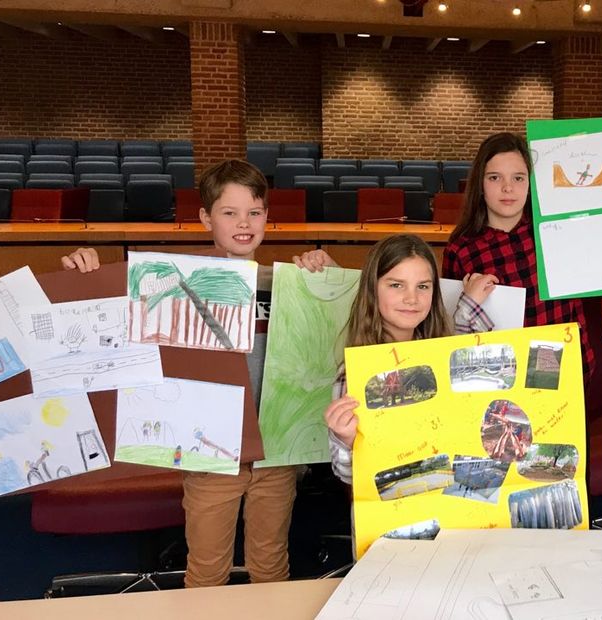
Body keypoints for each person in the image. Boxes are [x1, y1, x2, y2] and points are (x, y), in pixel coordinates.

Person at [61, 159, 337, 588]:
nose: (244, 223)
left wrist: (326, 273)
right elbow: (108, 319)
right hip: (210, 453)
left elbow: (329, 335)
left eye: (255, 212)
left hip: (276, 451)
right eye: (229, 212)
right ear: (206, 217)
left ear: (267, 216)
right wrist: (86, 275)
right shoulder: (174, 286)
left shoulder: (288, 283)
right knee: (207, 569)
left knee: (271, 567)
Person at [440, 132, 596, 382]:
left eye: (518, 177)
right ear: (480, 184)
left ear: (531, 183)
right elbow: (451, 329)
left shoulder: (557, 231)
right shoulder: (462, 250)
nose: (508, 188)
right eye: (494, 177)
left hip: (562, 367)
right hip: (500, 377)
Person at [323, 234, 452, 484]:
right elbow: (346, 475)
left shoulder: (446, 357)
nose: (412, 298)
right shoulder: (354, 374)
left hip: (448, 509)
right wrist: (346, 439)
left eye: (423, 286)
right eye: (396, 285)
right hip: (388, 516)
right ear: (373, 289)